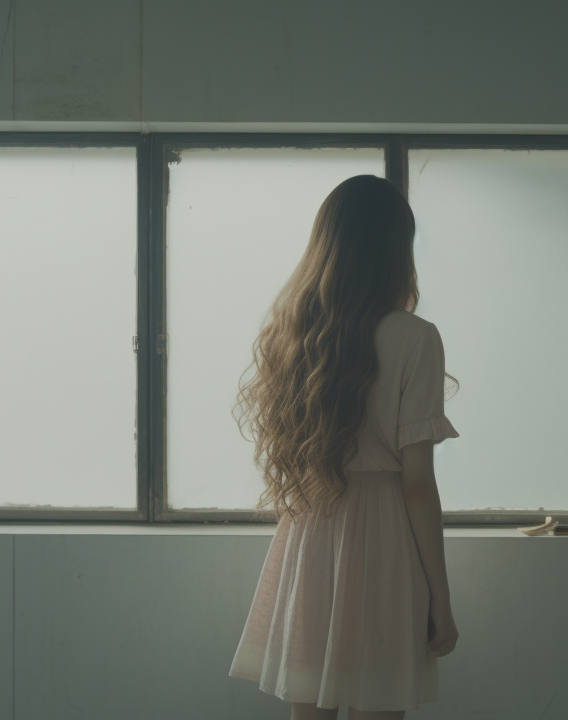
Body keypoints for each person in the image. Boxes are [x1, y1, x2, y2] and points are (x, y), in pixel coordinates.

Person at [229, 174, 461, 720]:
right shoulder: (413, 337)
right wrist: (441, 598)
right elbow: (417, 481)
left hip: (311, 530)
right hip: (382, 539)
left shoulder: (299, 333)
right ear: (395, 250)